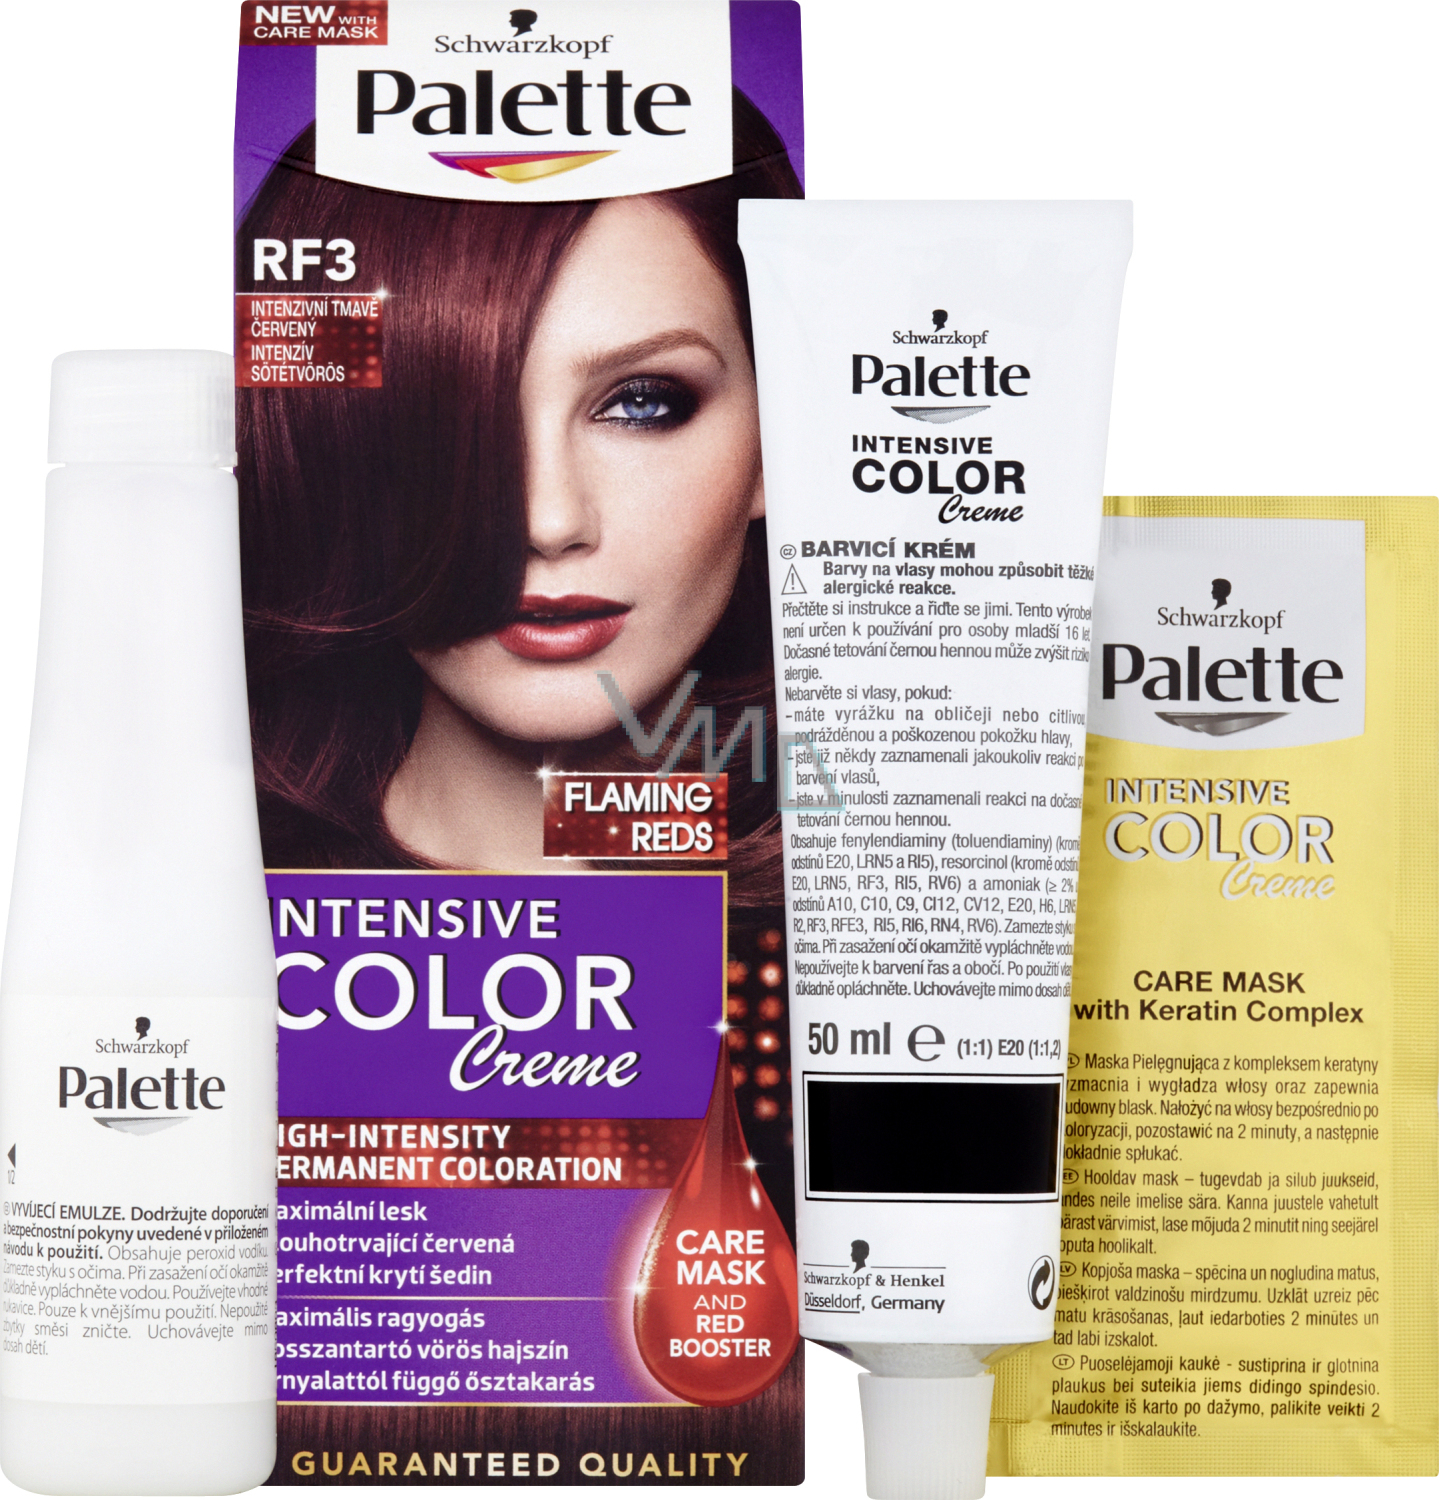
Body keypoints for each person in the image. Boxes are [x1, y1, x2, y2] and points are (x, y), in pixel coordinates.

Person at [237, 92, 799, 899]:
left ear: (776, 440)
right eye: (438, 415)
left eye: (642, 403)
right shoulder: (202, 901)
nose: (547, 521)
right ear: (326, 449)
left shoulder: (885, 904)